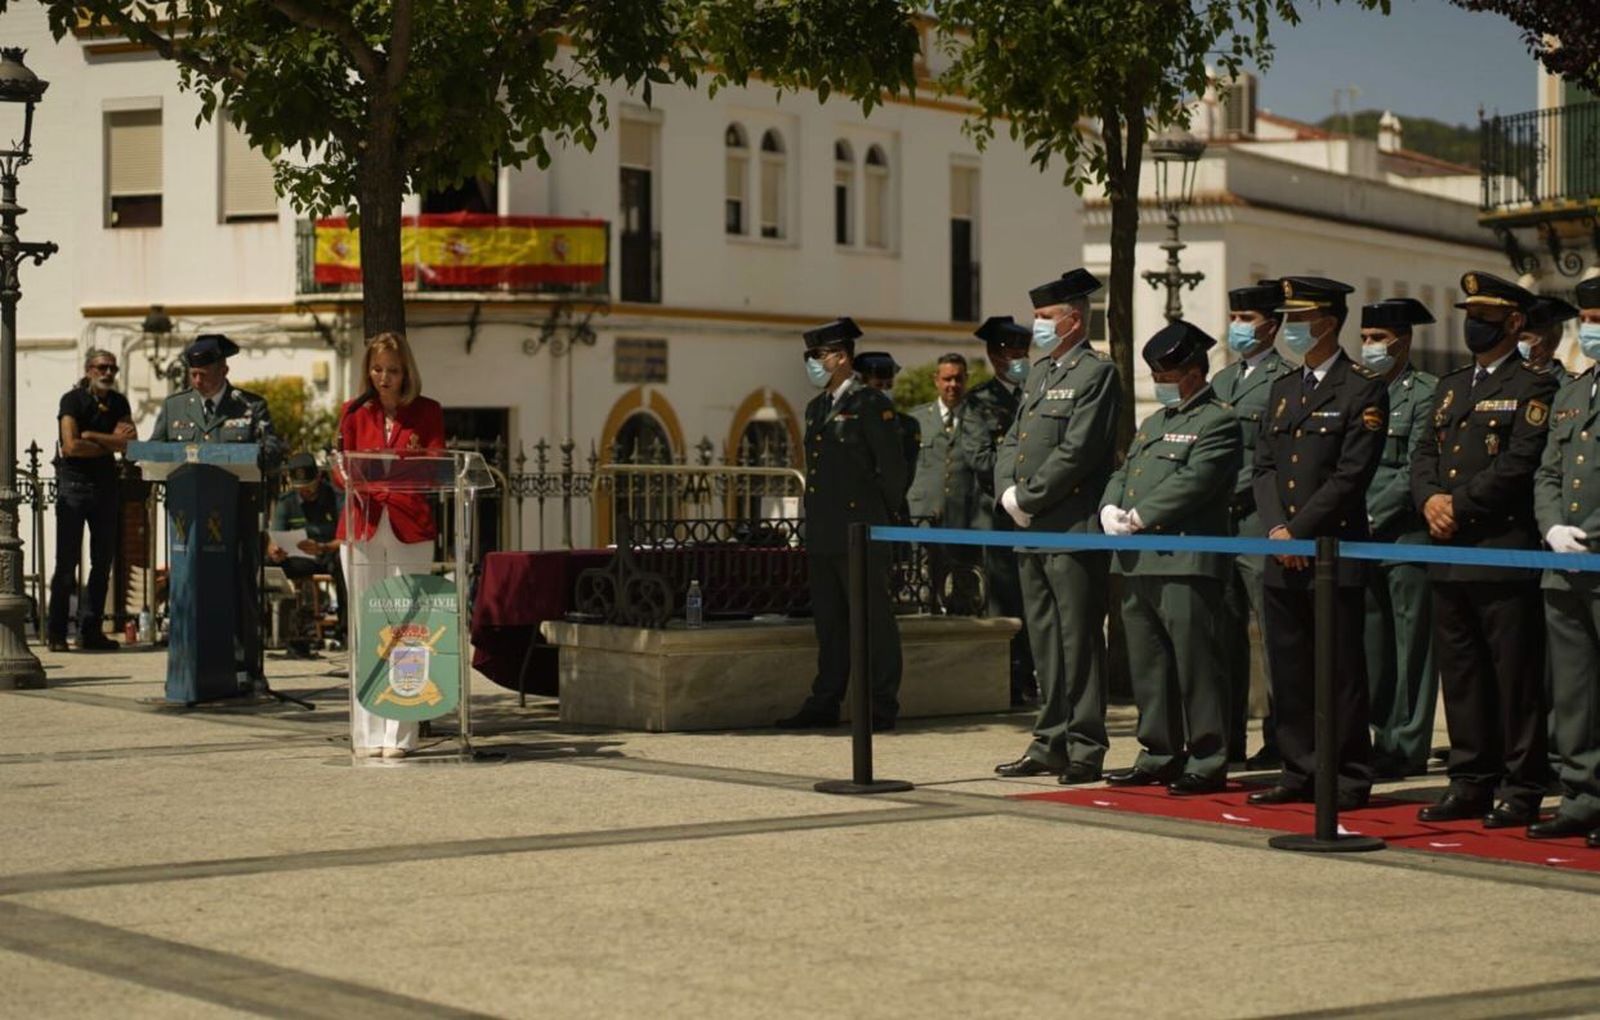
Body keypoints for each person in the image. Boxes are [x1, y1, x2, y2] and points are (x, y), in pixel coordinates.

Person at [1411, 271, 1558, 828]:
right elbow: (1424, 454)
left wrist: (1459, 505)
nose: (1474, 324)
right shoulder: (1450, 386)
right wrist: (1429, 501)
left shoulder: (1534, 386)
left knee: (1514, 677)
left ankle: (1521, 787)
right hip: (1448, 552)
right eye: (1469, 314)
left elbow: (1520, 465)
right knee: (1463, 674)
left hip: (1500, 550)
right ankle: (1470, 779)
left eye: (1486, 316)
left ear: (1514, 322)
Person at [1248, 277, 1387, 811]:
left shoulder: (1361, 388)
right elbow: (1263, 466)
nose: (1290, 330)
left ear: (1327, 323)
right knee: (1289, 666)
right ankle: (1299, 767)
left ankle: (1349, 774)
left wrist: (1298, 531)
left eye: (1300, 320)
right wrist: (1276, 530)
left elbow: (1351, 475)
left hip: (1332, 548)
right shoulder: (1284, 389)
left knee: (1341, 669)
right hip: (1283, 550)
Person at [1099, 321, 1242, 794]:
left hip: (1185, 559)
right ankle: (1159, 752)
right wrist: (1110, 507)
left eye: (1168, 374)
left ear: (1195, 372)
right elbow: (1126, 471)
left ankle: (1207, 758)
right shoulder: (1153, 424)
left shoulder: (1218, 421)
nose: (1160, 382)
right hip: (1140, 560)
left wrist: (1140, 515)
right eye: (1156, 374)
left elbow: (1195, 482)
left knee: (1197, 665)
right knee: (1149, 664)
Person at [993, 269, 1120, 785]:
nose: (1036, 326)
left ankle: (1086, 747)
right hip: (1031, 527)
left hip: (1070, 527)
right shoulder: (1041, 373)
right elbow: (1013, 440)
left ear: (1072, 321)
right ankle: (1049, 741)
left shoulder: (1096, 373)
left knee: (1079, 640)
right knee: (1045, 640)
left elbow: (1081, 450)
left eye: (1044, 318)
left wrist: (1030, 497)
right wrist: (1008, 495)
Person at [777, 319, 907, 731]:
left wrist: (879, 517)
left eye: (816, 356)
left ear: (841, 357)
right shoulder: (817, 407)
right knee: (830, 623)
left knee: (873, 621)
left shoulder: (872, 404)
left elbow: (893, 472)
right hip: (825, 531)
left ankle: (880, 703)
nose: (812, 364)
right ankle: (826, 699)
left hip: (862, 529)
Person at [148, 334, 284, 689]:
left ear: (223, 368)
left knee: (241, 587)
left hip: (236, 512)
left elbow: (273, 450)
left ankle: (245, 667)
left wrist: (253, 454)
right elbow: (155, 450)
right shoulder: (176, 407)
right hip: (188, 519)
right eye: (192, 374)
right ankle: (190, 665)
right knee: (189, 585)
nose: (197, 380)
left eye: (204, 373)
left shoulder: (250, 406)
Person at [337, 331, 446, 759]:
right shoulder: (352, 411)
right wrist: (347, 476)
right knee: (365, 630)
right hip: (361, 524)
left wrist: (392, 473)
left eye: (393, 371)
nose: (384, 378)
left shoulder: (428, 412)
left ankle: (400, 736)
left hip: (409, 525)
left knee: (408, 630)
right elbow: (340, 466)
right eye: (378, 369)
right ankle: (365, 734)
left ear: (407, 373)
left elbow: (436, 464)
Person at [1529, 274, 1600, 848]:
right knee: (1573, 691)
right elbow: (1548, 470)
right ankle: (1581, 795)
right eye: (1590, 321)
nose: (1593, 330)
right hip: (1566, 563)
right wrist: (1552, 525)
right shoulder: (1574, 391)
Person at [1358, 298, 1440, 779]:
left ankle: (1406, 745)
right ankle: (1379, 736)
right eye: (1365, 338)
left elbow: (1416, 467)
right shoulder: (1360, 390)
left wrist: (1370, 513)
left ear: (1402, 341)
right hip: (1358, 537)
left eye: (1377, 339)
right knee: (1374, 644)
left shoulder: (1425, 393)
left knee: (1411, 646)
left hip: (1404, 535)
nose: (1369, 347)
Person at [1212, 280, 1289, 769]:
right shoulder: (1221, 382)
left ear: (1272, 326)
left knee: (1274, 640)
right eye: (1234, 319)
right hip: (1219, 526)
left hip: (1259, 521)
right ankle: (1226, 737)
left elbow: (1275, 457)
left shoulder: (1284, 379)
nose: (1237, 328)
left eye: (1247, 320)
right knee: (1223, 638)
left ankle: (1280, 738)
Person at [960, 317, 1037, 704]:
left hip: (1041, 511)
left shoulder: (1039, 392)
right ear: (994, 356)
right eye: (1011, 353)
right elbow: (980, 457)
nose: (1019, 359)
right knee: (1007, 600)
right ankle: (1013, 676)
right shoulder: (979, 402)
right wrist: (1025, 485)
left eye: (1024, 352)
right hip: (1002, 513)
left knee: (1038, 598)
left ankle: (1035, 671)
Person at [47, 349, 135, 652]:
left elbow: (130, 443)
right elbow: (70, 446)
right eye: (101, 367)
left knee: (102, 563)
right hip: (74, 486)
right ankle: (57, 633)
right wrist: (109, 441)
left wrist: (93, 436)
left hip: (106, 487)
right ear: (88, 369)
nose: (108, 373)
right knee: (66, 563)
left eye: (112, 368)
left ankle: (90, 630)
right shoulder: (72, 400)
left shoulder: (119, 402)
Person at [267, 452, 346, 657]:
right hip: (301, 558)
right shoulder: (286, 502)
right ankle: (284, 631)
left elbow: (347, 539)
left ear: (319, 477)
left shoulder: (336, 498)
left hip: (329, 554)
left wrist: (323, 547)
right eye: (300, 488)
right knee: (270, 565)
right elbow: (275, 538)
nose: (305, 492)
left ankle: (344, 631)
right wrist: (275, 551)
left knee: (344, 562)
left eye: (309, 486)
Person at [854, 351, 919, 518]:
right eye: (878, 386)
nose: (884, 392)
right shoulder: (850, 424)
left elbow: (904, 474)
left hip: (893, 510)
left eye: (888, 386)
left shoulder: (907, 425)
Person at [1519, 296, 1578, 385]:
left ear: (1551, 343)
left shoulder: (1575, 386)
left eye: (1524, 338)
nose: (1519, 344)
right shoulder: (1499, 381)